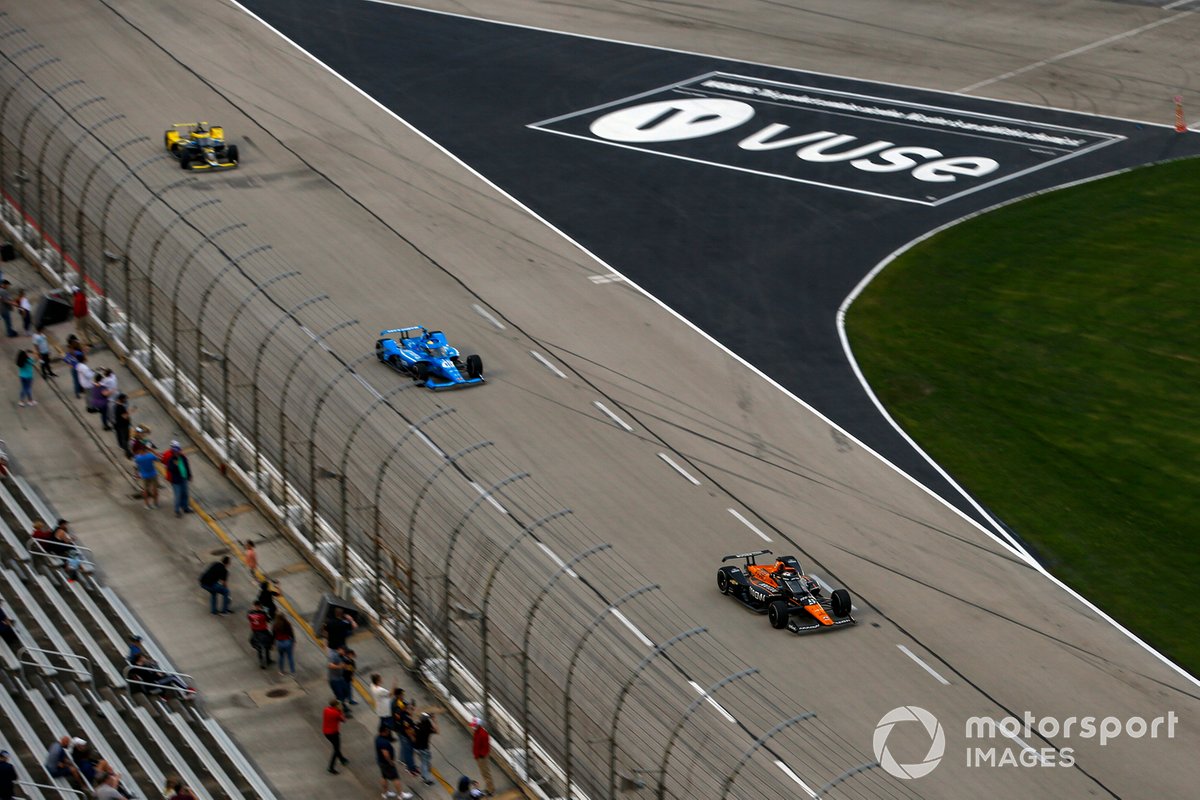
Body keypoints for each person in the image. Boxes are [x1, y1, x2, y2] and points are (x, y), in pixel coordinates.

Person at [375, 726, 414, 800]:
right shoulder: (384, 742)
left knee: (384, 777)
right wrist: (391, 762)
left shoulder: (377, 738)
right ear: (383, 732)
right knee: (395, 778)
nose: (388, 732)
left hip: (381, 762)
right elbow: (385, 754)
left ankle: (385, 793)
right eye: (387, 731)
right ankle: (401, 795)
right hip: (387, 764)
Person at [163, 441, 191, 517]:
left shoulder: (183, 457)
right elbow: (170, 469)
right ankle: (177, 510)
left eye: (178, 451)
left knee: (185, 493)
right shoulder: (171, 460)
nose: (177, 452)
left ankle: (185, 507)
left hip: (184, 478)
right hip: (176, 481)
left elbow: (187, 466)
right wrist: (175, 465)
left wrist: (189, 475)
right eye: (175, 451)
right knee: (178, 495)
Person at [322, 698, 349, 774]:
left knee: (336, 746)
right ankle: (331, 767)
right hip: (334, 733)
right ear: (336, 705)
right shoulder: (336, 713)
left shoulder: (326, 709)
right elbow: (343, 720)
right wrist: (341, 711)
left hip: (326, 732)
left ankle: (342, 759)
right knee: (336, 749)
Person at [471, 716, 495, 796]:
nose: (473, 727)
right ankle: (489, 787)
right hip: (478, 756)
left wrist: (481, 755)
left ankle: (490, 790)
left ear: (478, 725)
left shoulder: (483, 734)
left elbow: (486, 747)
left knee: (485, 773)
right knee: (483, 773)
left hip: (482, 757)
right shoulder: (477, 732)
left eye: (474, 725)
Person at [413, 711, 438, 786]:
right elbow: (436, 731)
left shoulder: (418, 725)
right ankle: (426, 779)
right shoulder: (427, 727)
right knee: (425, 763)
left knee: (424, 763)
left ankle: (424, 776)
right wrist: (434, 721)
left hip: (417, 747)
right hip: (424, 749)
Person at [132, 443, 160, 509]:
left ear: (140, 450)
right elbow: (158, 459)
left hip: (144, 476)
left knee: (145, 490)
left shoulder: (137, 458)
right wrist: (152, 451)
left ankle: (147, 505)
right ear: (146, 450)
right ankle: (155, 504)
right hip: (153, 474)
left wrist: (136, 474)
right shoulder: (150, 456)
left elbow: (136, 467)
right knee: (155, 489)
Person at [247, 601, 272, 669]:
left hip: (255, 632)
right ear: (259, 606)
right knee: (267, 645)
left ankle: (261, 662)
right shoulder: (263, 613)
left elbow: (249, 619)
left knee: (259, 647)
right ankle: (268, 660)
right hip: (263, 631)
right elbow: (269, 620)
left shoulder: (249, 613)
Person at [327, 647, 352, 716]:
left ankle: (342, 706)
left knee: (346, 692)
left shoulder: (342, 657)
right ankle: (343, 711)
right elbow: (330, 665)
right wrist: (339, 667)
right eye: (344, 651)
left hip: (340, 678)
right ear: (339, 649)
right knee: (340, 696)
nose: (344, 653)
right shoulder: (334, 656)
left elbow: (346, 664)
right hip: (334, 680)